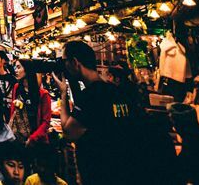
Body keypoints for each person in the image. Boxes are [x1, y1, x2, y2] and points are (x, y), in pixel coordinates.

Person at [59, 39, 142, 185]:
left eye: (64, 61)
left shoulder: (90, 96)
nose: (63, 65)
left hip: (99, 172)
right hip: (125, 170)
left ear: (75, 62)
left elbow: (68, 132)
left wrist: (63, 94)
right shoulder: (117, 92)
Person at [9, 61, 51, 145]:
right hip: (18, 138)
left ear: (27, 70)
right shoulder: (16, 88)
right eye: (15, 67)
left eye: (18, 67)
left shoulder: (43, 94)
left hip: (36, 140)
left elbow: (46, 122)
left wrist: (32, 138)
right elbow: (13, 111)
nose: (15, 70)